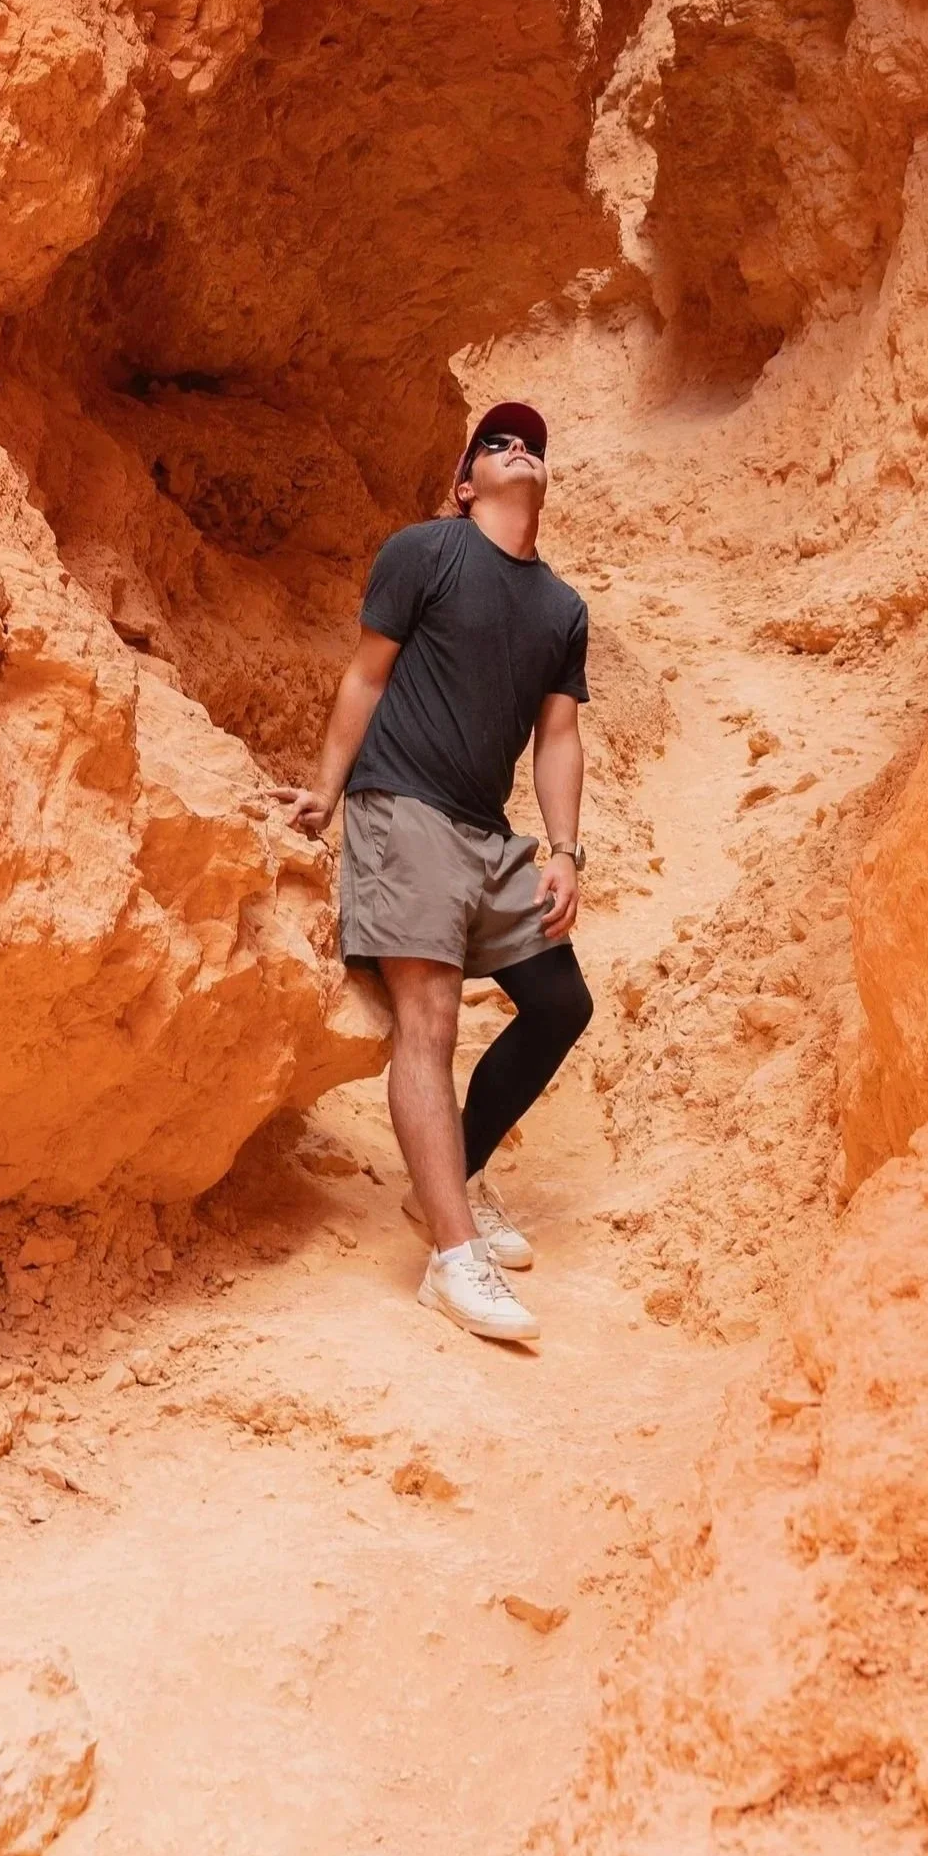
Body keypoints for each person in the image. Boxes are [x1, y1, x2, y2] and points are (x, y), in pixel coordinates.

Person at [279, 400, 593, 1348]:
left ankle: (447, 1183)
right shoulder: (426, 551)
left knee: (561, 1002)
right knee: (433, 1018)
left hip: (489, 834)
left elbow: (560, 737)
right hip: (402, 805)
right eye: (496, 443)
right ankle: (453, 1259)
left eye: (532, 444)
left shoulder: (562, 608)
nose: (518, 451)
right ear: (465, 484)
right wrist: (327, 794)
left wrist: (566, 850)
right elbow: (366, 674)